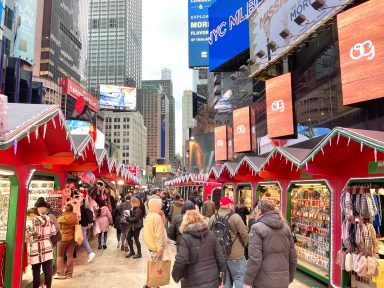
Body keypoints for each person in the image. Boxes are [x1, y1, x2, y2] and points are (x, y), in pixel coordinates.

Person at [244, 200, 297, 288]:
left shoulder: (256, 228)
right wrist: (290, 278)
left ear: (260, 211)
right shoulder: (286, 227)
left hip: (262, 281)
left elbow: (255, 258)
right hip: (282, 281)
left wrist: (248, 280)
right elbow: (293, 257)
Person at [172, 210, 226, 288]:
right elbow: (220, 258)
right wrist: (222, 280)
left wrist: (176, 276)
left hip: (193, 279)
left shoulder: (186, 238)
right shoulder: (211, 234)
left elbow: (181, 260)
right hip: (212, 278)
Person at [208, 197, 248, 288]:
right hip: (236, 255)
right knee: (239, 278)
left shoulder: (213, 217)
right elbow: (244, 234)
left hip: (220, 254)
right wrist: (244, 245)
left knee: (225, 280)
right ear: (229, 205)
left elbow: (208, 233)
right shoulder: (235, 217)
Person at [26, 207, 56, 288]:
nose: (29, 218)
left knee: (36, 271)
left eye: (28, 216)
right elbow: (53, 232)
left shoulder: (35, 220)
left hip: (37, 247)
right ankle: (48, 286)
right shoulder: (48, 218)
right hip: (47, 245)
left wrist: (29, 235)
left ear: (32, 214)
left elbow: (37, 233)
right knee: (48, 271)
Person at [143, 198, 166, 288]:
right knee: (155, 267)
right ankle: (149, 285)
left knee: (154, 266)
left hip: (151, 245)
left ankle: (150, 284)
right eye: (159, 205)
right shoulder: (156, 218)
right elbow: (159, 234)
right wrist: (160, 248)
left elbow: (159, 228)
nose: (161, 206)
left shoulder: (150, 215)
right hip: (156, 247)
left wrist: (162, 216)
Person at [54, 204, 78, 279]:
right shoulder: (75, 217)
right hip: (72, 238)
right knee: (69, 256)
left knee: (60, 256)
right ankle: (69, 274)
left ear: (65, 209)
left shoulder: (61, 218)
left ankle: (60, 273)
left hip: (62, 239)